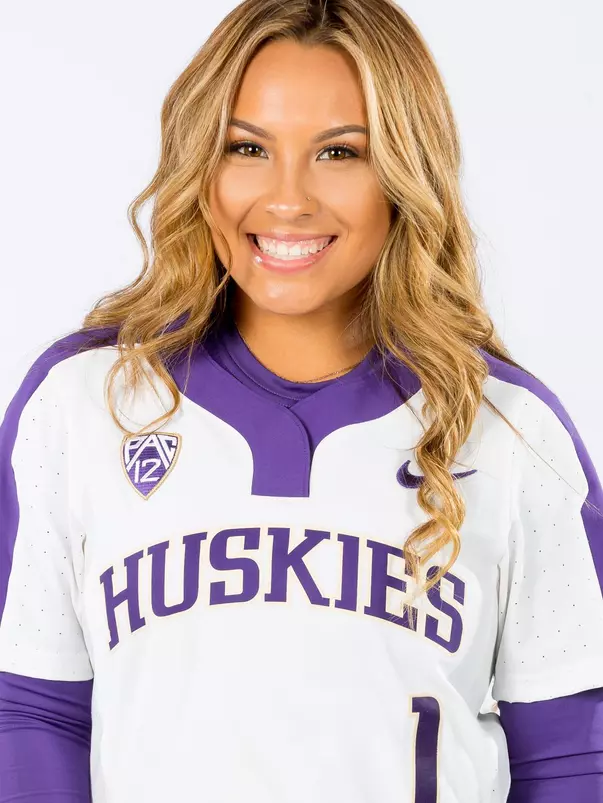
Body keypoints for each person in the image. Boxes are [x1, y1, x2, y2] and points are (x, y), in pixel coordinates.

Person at [1, 1, 602, 801]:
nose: (287, 199)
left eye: (339, 152)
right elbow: (31, 709)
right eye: (246, 147)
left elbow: (570, 754)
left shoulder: (507, 429)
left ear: (405, 171)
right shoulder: (85, 402)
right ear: (199, 165)